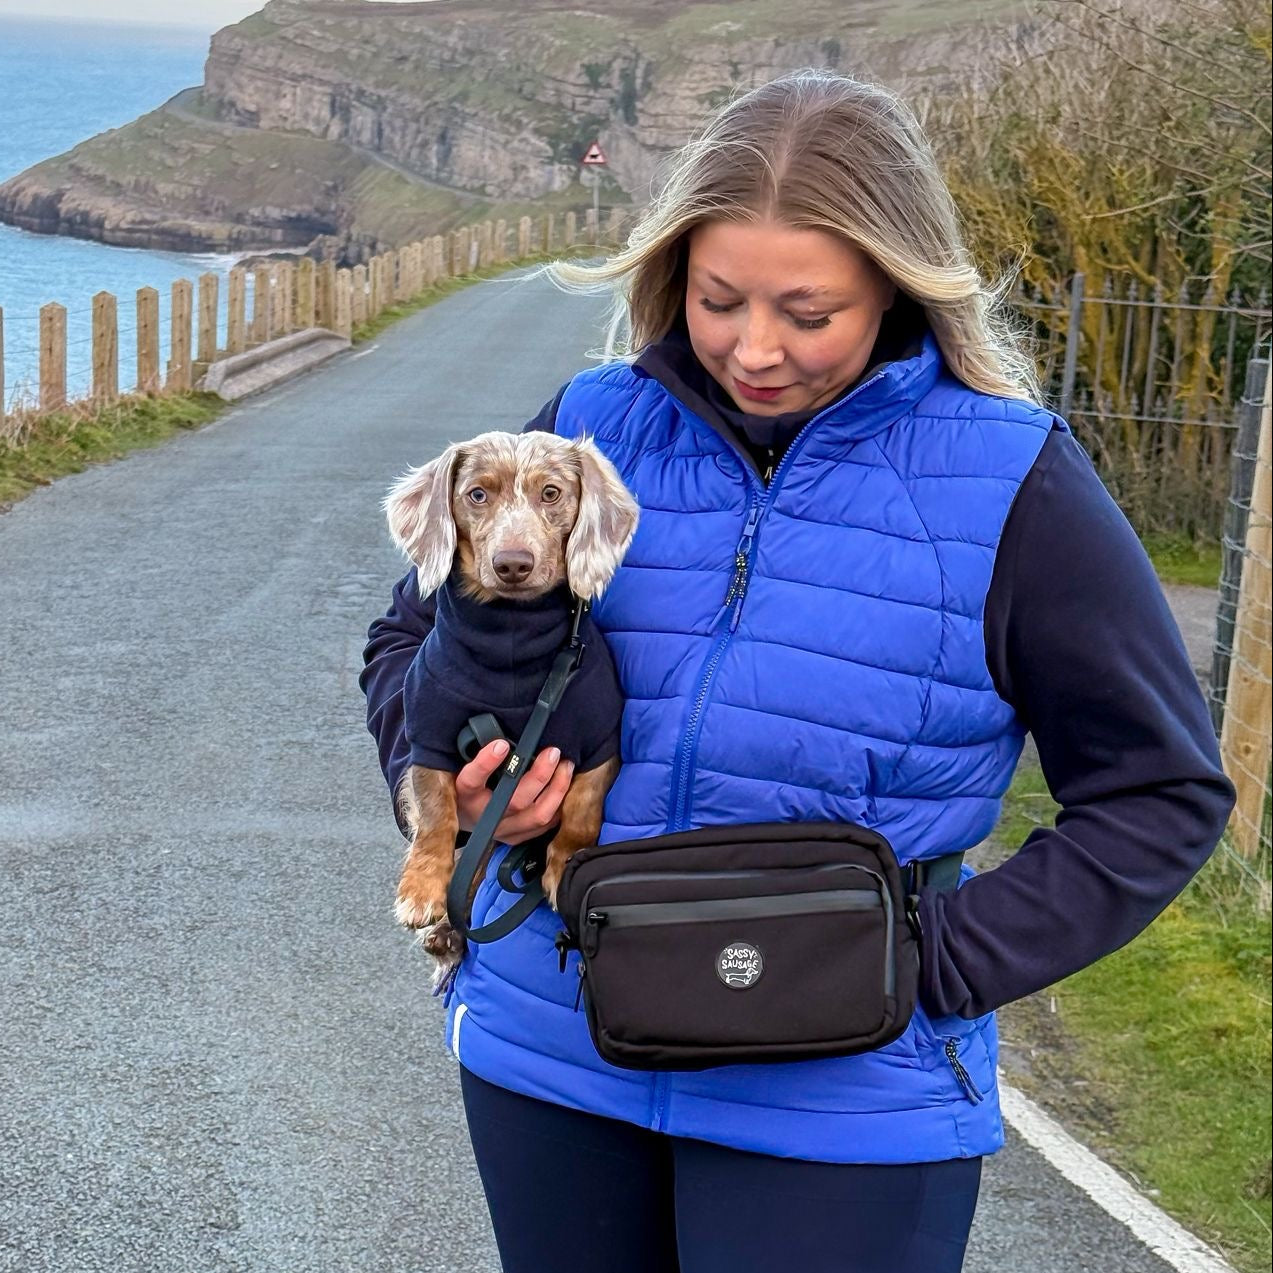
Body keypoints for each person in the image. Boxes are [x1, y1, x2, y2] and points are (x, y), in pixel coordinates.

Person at [359, 70, 1234, 1273]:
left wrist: (934, 963)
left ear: (899, 286)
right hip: (554, 1055)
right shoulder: (589, 428)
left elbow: (1160, 792)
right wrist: (452, 797)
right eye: (718, 299)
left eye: (808, 312)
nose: (754, 348)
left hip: (844, 1097)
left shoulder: (1012, 479)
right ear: (674, 270)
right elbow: (406, 641)